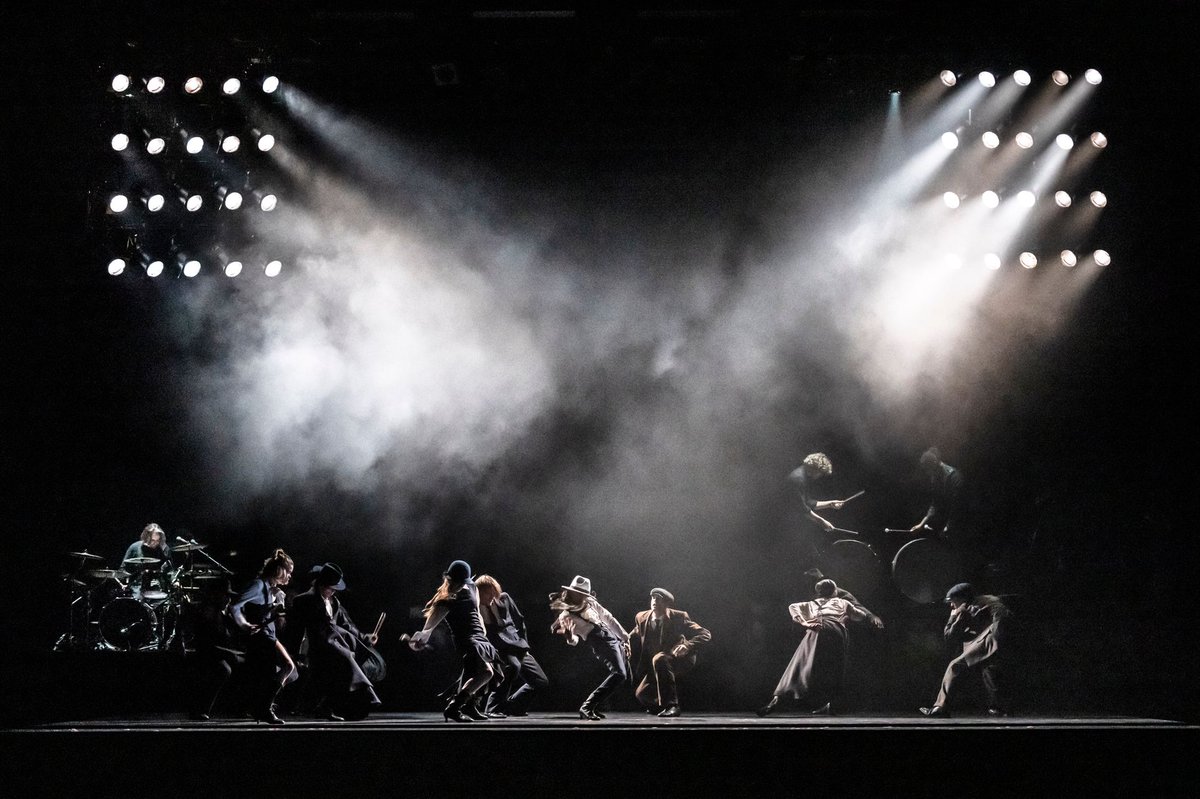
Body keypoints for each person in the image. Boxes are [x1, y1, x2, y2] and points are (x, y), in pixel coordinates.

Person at [757, 578, 884, 717]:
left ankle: (777, 701)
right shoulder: (843, 602)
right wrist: (851, 615)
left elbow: (792, 607)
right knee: (834, 669)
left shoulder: (812, 603)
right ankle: (832, 704)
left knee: (799, 666)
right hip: (836, 632)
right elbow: (860, 615)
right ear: (835, 591)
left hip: (816, 631)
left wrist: (805, 622)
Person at [282, 562, 382, 721]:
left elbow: (347, 625)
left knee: (351, 662)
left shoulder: (335, 602)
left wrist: (365, 637)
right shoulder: (304, 600)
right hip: (321, 647)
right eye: (331, 587)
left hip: (339, 643)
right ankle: (359, 698)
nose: (333, 591)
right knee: (346, 661)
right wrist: (294, 653)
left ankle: (328, 707)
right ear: (321, 585)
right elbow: (296, 628)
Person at [407, 560, 498, 723]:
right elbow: (430, 625)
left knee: (476, 673)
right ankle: (454, 707)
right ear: (453, 581)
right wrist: (421, 637)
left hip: (479, 636)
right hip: (466, 638)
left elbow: (476, 611)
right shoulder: (448, 599)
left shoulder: (472, 587)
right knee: (486, 672)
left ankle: (469, 706)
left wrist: (483, 632)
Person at [920, 582, 1012, 717]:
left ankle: (941, 707)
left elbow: (949, 635)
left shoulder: (969, 608)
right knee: (989, 670)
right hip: (997, 641)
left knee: (955, 666)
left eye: (952, 601)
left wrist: (954, 616)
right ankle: (1000, 707)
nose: (951, 605)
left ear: (962, 599)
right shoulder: (978, 604)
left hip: (992, 639)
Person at [229, 548, 297, 725]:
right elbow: (235, 606)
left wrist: (277, 604)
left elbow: (269, 615)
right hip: (261, 637)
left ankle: (262, 706)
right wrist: (244, 624)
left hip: (268, 634)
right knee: (287, 666)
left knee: (282, 672)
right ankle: (264, 708)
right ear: (280, 571)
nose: (290, 576)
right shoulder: (258, 585)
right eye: (288, 572)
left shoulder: (270, 588)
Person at [549, 575, 630, 721]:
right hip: (599, 642)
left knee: (626, 676)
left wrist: (624, 639)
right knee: (619, 674)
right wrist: (569, 637)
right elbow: (575, 640)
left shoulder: (590, 602)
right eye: (577, 593)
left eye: (583, 594)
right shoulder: (566, 615)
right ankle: (587, 706)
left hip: (611, 637)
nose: (580, 596)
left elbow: (608, 618)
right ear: (570, 592)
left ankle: (594, 706)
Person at [626, 587, 711, 717]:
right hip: (659, 663)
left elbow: (705, 634)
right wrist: (624, 642)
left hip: (680, 658)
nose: (654, 601)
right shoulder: (641, 617)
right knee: (642, 694)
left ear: (666, 603)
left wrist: (687, 646)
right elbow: (635, 632)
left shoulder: (679, 617)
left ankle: (672, 706)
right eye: (653, 598)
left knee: (659, 658)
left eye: (659, 599)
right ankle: (659, 707)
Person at [474, 574, 548, 718]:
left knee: (540, 681)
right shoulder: (476, 607)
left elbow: (519, 619)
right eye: (486, 593)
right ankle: (493, 708)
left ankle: (513, 707)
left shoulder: (504, 598)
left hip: (516, 643)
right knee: (513, 667)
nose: (490, 597)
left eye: (492, 593)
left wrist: (524, 644)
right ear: (478, 592)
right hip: (498, 647)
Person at [907, 448, 966, 542]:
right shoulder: (935, 477)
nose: (928, 473)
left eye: (928, 469)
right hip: (948, 522)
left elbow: (957, 507)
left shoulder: (955, 477)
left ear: (935, 463)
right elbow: (935, 503)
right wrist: (921, 524)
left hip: (962, 523)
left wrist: (949, 527)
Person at [788, 453, 845, 533]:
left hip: (793, 520)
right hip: (785, 522)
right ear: (814, 469)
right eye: (820, 473)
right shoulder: (798, 479)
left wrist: (830, 504)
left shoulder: (804, 476)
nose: (820, 476)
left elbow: (807, 502)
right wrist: (821, 521)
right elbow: (802, 508)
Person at [122, 522, 173, 598]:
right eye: (153, 540)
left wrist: (173, 580)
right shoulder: (135, 547)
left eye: (158, 540)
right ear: (146, 538)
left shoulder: (160, 549)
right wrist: (123, 583)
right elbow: (123, 569)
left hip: (155, 587)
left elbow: (168, 568)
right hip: (136, 587)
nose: (155, 543)